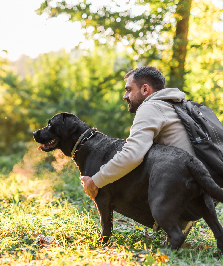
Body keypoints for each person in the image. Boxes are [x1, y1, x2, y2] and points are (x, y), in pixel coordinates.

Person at [81, 66, 195, 200]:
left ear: (145, 89)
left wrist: (95, 181)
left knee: (129, 168)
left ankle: (175, 216)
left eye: (129, 90)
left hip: (189, 193)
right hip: (206, 188)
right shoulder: (175, 105)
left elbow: (132, 155)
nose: (125, 96)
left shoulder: (151, 107)